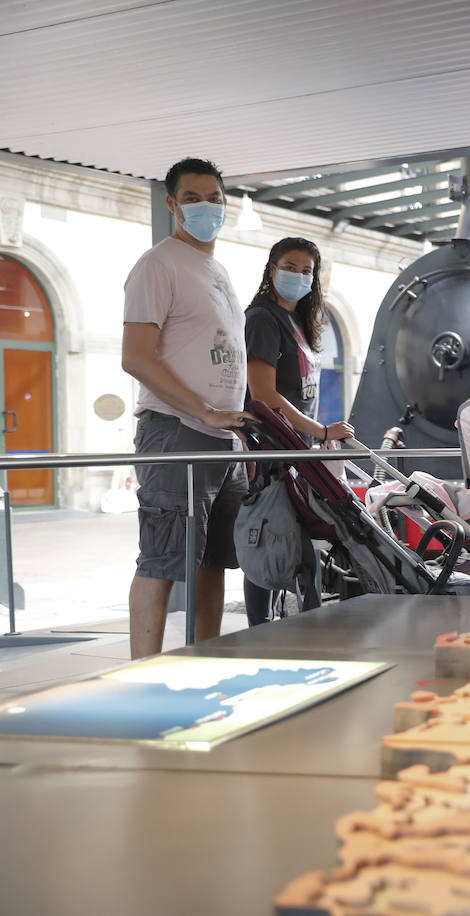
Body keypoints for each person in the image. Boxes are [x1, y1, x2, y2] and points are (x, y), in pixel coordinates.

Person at [121, 157, 252, 658]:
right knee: (162, 558)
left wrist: (231, 421)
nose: (206, 207)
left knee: (212, 562)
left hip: (223, 440)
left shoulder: (216, 270)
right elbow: (136, 356)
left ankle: (205, 663)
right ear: (173, 205)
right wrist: (205, 409)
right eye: (193, 199)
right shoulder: (158, 264)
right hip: (176, 430)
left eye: (214, 198)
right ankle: (141, 674)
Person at [242, 237, 354, 625]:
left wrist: (315, 437)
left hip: (297, 449)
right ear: (271, 269)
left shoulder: (299, 322)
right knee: (268, 539)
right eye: (289, 267)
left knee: (291, 539)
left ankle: (290, 623)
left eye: (307, 270)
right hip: (272, 450)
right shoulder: (261, 319)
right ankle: (260, 628)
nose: (298, 276)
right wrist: (322, 431)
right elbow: (264, 395)